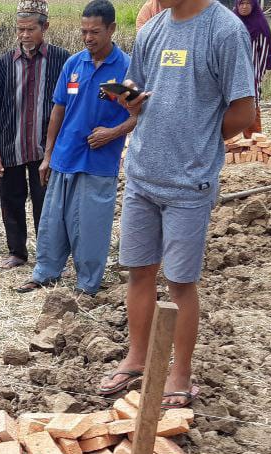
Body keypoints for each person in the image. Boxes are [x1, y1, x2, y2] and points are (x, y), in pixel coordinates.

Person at [98, 0, 256, 409]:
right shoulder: (153, 29)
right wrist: (129, 101)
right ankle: (136, 357)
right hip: (142, 174)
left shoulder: (223, 31)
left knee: (181, 283)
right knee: (139, 271)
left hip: (189, 182)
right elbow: (138, 91)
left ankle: (180, 372)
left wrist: (198, 140)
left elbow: (244, 111)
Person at [20, 0, 134, 295]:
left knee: (91, 227)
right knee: (52, 221)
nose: (88, 38)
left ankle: (87, 285)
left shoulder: (126, 68)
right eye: (84, 31)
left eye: (94, 32)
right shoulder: (74, 65)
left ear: (111, 29)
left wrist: (112, 133)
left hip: (99, 162)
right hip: (64, 156)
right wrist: (47, 155)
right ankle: (45, 273)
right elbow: (58, 110)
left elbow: (138, 114)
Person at [0, 0, 71, 271]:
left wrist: (57, 150)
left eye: (30, 29)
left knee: (46, 205)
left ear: (45, 27)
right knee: (11, 201)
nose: (24, 35)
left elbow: (68, 105)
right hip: (12, 147)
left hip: (46, 150)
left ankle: (47, 256)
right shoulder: (6, 63)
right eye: (20, 30)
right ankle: (17, 252)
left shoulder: (61, 60)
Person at [235, 0, 271, 137]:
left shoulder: (260, 24)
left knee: (250, 104)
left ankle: (253, 140)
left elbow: (264, 52)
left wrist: (257, 74)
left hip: (251, 72)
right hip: (230, 72)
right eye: (241, 3)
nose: (244, 6)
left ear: (254, 5)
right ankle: (229, 143)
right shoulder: (231, 21)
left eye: (248, 3)